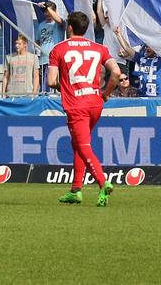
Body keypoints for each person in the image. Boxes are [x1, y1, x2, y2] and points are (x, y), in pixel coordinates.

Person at [47, 11, 122, 206]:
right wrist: (105, 93)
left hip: (76, 105)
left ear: (69, 28)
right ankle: (76, 189)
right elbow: (116, 72)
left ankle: (103, 182)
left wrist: (67, 84)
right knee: (78, 144)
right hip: (95, 103)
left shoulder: (58, 49)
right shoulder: (100, 48)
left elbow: (51, 81)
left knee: (83, 146)